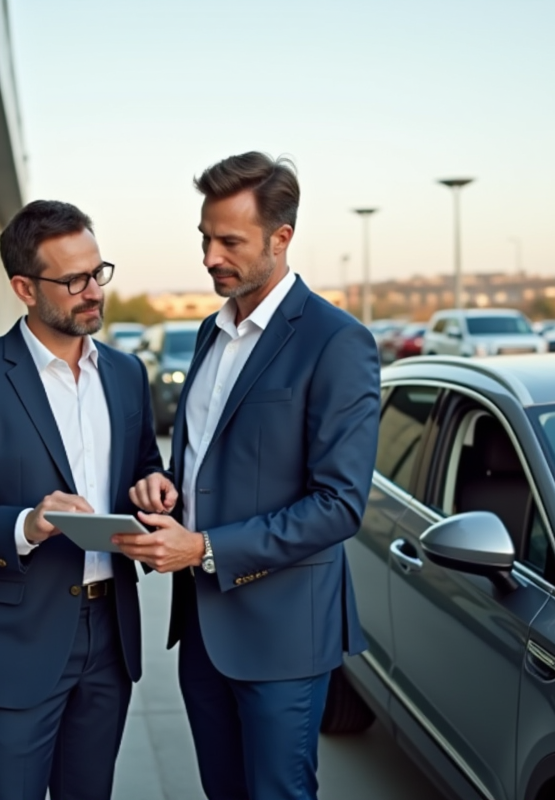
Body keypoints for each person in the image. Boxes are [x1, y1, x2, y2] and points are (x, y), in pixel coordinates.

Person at [115, 152, 381, 800]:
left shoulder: (336, 342)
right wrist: (168, 488)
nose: (210, 255)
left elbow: (339, 505)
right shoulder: (211, 332)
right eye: (205, 238)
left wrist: (204, 548)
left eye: (229, 240)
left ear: (281, 238)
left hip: (283, 634)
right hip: (203, 627)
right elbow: (208, 460)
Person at [0, 200, 164, 800]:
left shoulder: (126, 375)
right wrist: (26, 523)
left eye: (98, 272)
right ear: (24, 287)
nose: (92, 291)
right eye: (73, 280)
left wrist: (155, 487)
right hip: (12, 641)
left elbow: (142, 468)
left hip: (111, 634)